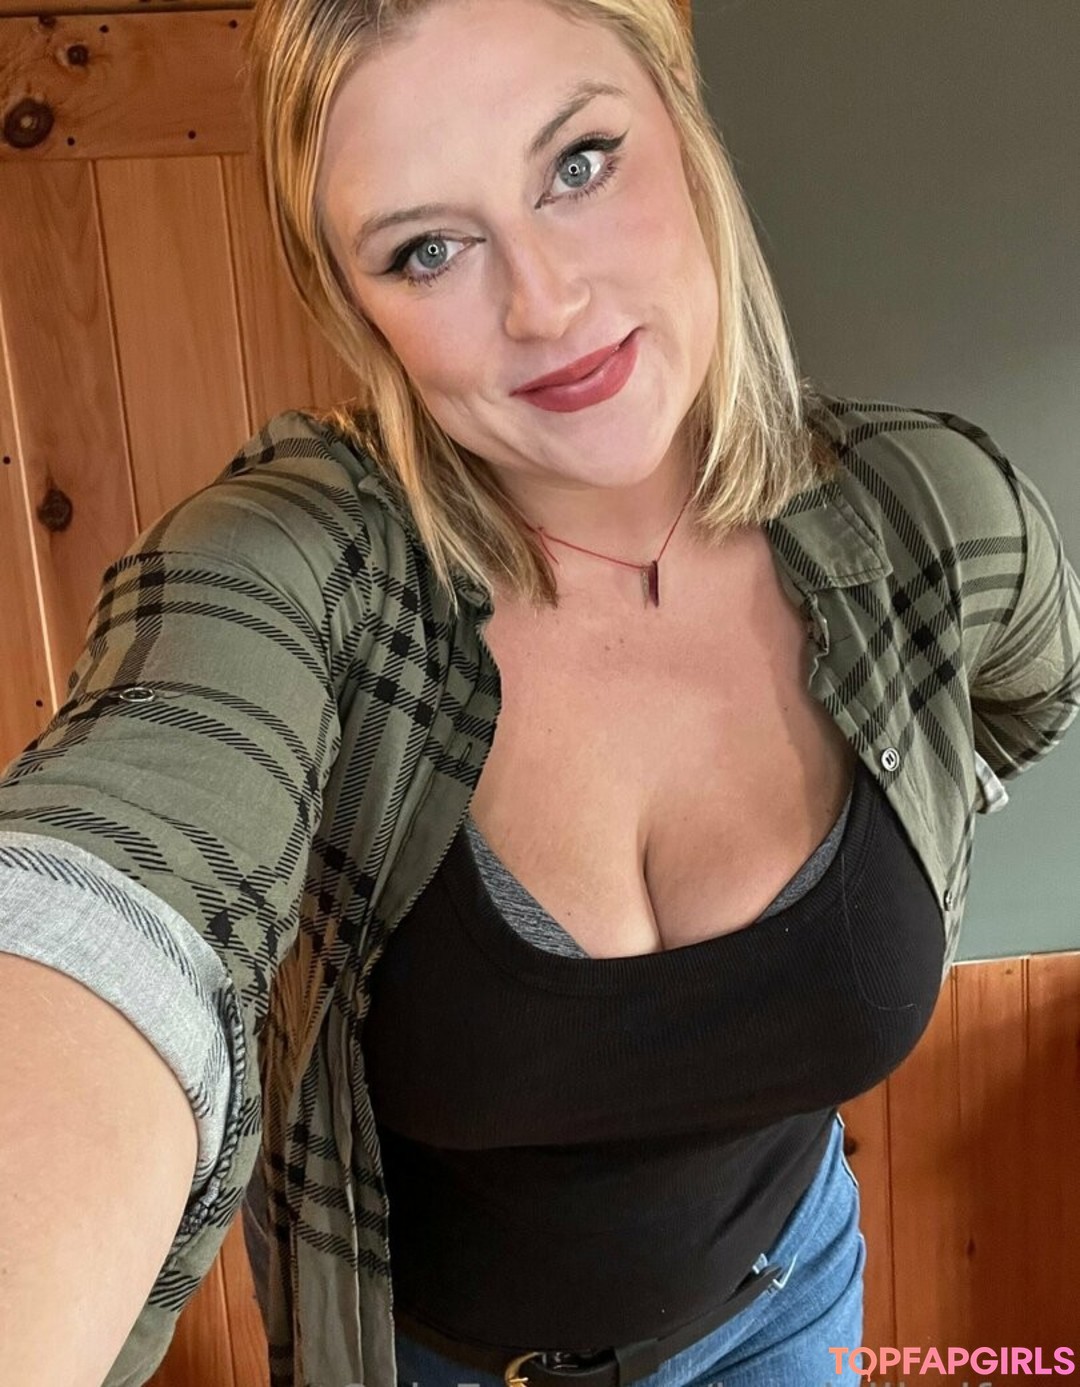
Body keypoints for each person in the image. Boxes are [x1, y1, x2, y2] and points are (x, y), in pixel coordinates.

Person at [0, 1, 1077, 1385]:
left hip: (789, 1308)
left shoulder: (935, 514)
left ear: (683, 122)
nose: (544, 304)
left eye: (578, 163)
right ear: (354, 304)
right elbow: (111, 887)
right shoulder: (295, 575)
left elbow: (1022, 702)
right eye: (427, 249)